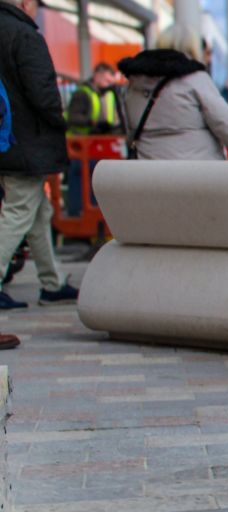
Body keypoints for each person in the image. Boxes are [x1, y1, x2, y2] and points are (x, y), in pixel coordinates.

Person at [0, 0, 80, 311]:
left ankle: (52, 282)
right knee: (20, 211)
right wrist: (60, 122)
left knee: (37, 211)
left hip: (6, 140)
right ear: (24, 3)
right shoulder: (24, 35)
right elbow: (43, 91)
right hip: (26, 141)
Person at [117, 27, 228, 162]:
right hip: (196, 178)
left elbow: (131, 133)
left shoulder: (134, 83)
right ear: (192, 48)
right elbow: (227, 125)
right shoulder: (194, 79)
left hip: (149, 178)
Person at [64, 61, 123, 217]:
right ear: (98, 75)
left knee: (92, 184)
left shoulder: (102, 94)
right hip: (80, 148)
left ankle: (90, 217)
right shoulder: (83, 93)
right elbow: (73, 118)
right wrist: (94, 124)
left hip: (94, 147)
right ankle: (78, 215)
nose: (109, 85)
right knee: (80, 184)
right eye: (107, 81)